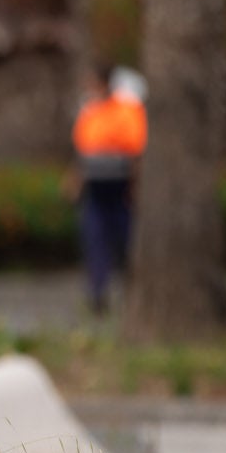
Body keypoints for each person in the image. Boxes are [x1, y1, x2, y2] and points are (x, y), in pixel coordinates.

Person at [72, 65, 147, 316]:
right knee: (95, 240)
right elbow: (83, 151)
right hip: (95, 188)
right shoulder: (89, 111)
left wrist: (135, 185)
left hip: (120, 187)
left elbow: (136, 151)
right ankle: (98, 293)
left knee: (125, 241)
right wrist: (75, 181)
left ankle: (131, 292)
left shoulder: (126, 110)